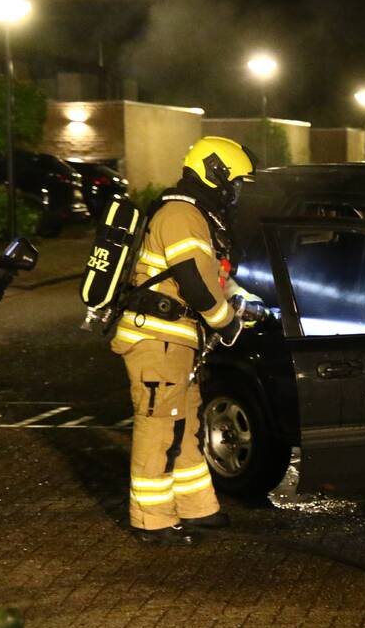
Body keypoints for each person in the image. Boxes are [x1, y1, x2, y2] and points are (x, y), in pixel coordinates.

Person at [111, 136, 260, 545]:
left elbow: (210, 277)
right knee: (158, 426)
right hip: (156, 340)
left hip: (172, 342)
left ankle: (196, 508)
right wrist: (225, 322)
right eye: (236, 181)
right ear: (216, 173)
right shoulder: (180, 214)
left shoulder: (193, 214)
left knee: (185, 423)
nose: (237, 191)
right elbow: (193, 280)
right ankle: (151, 519)